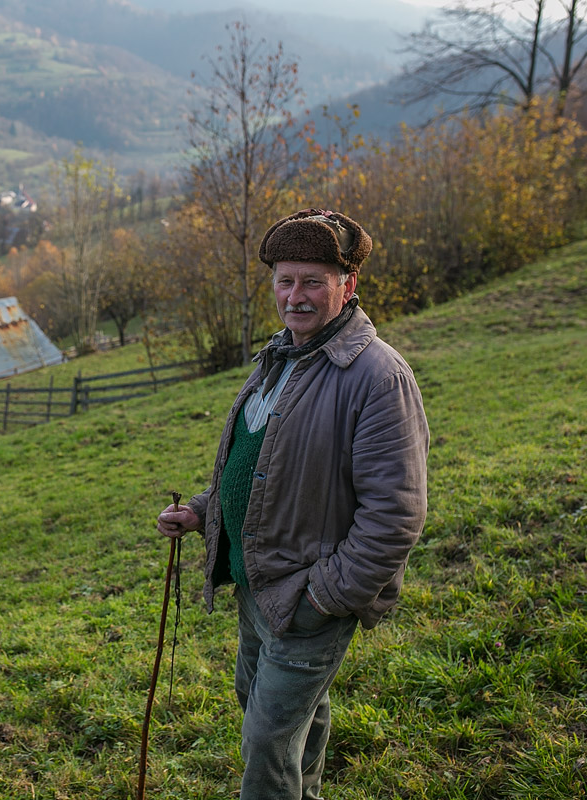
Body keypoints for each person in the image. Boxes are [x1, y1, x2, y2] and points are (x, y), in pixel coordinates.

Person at [156, 209, 429, 800]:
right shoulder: (282, 357)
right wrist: (203, 511)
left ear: (347, 285)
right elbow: (260, 465)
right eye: (285, 281)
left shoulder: (378, 377)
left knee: (267, 741)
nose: (295, 296)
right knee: (281, 715)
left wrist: (324, 597)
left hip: (306, 595)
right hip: (258, 584)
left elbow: (396, 515)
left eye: (312, 282)